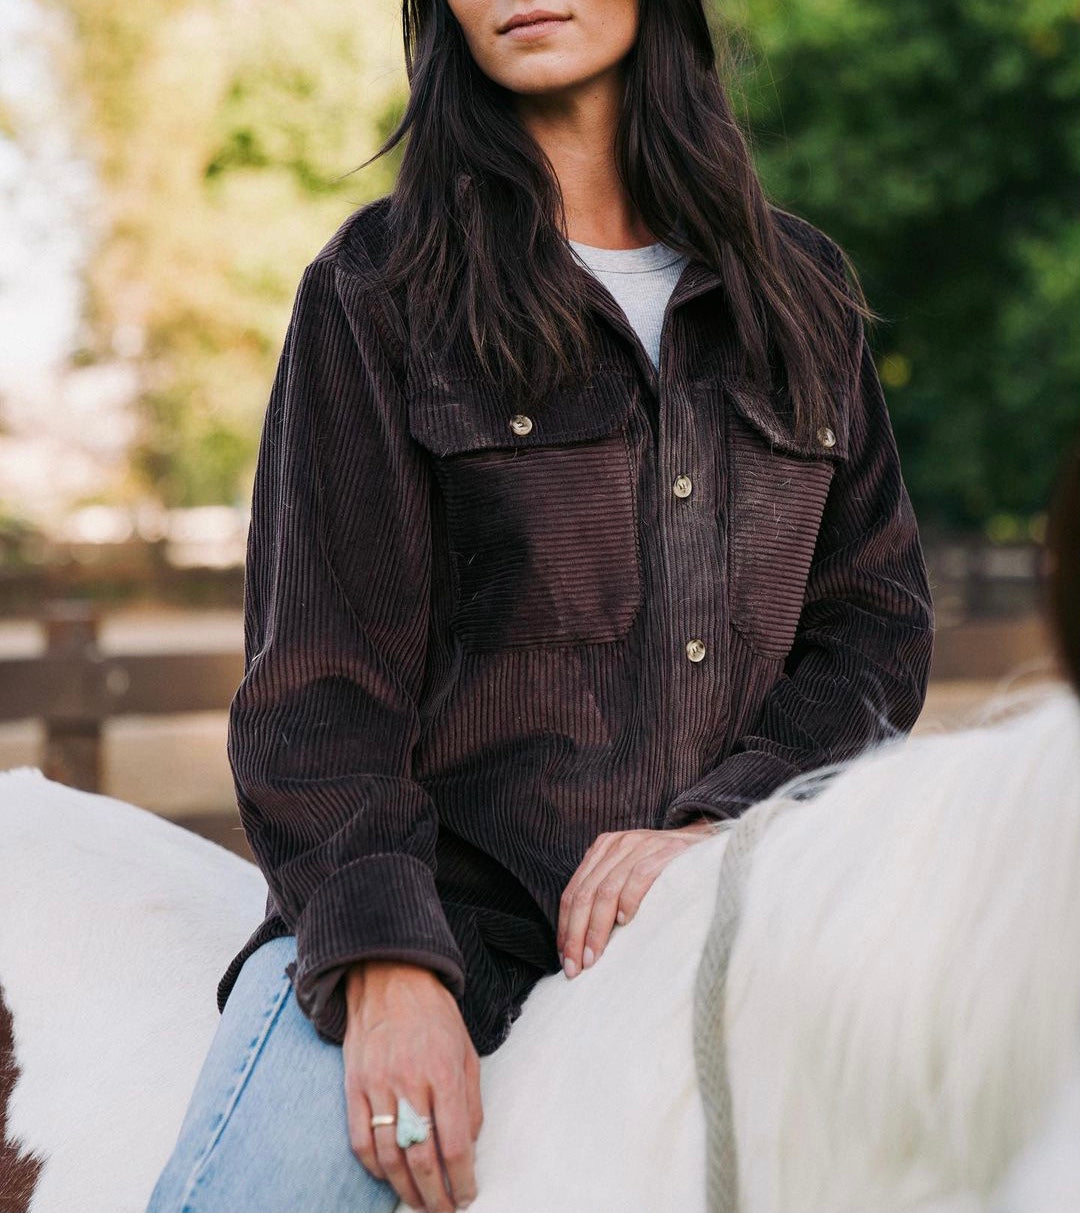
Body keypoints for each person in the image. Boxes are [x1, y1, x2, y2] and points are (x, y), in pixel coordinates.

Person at [146, 2, 934, 1211]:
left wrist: (721, 824)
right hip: (444, 923)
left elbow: (873, 629)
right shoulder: (376, 291)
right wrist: (389, 968)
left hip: (743, 913)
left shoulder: (805, 292)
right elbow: (318, 690)